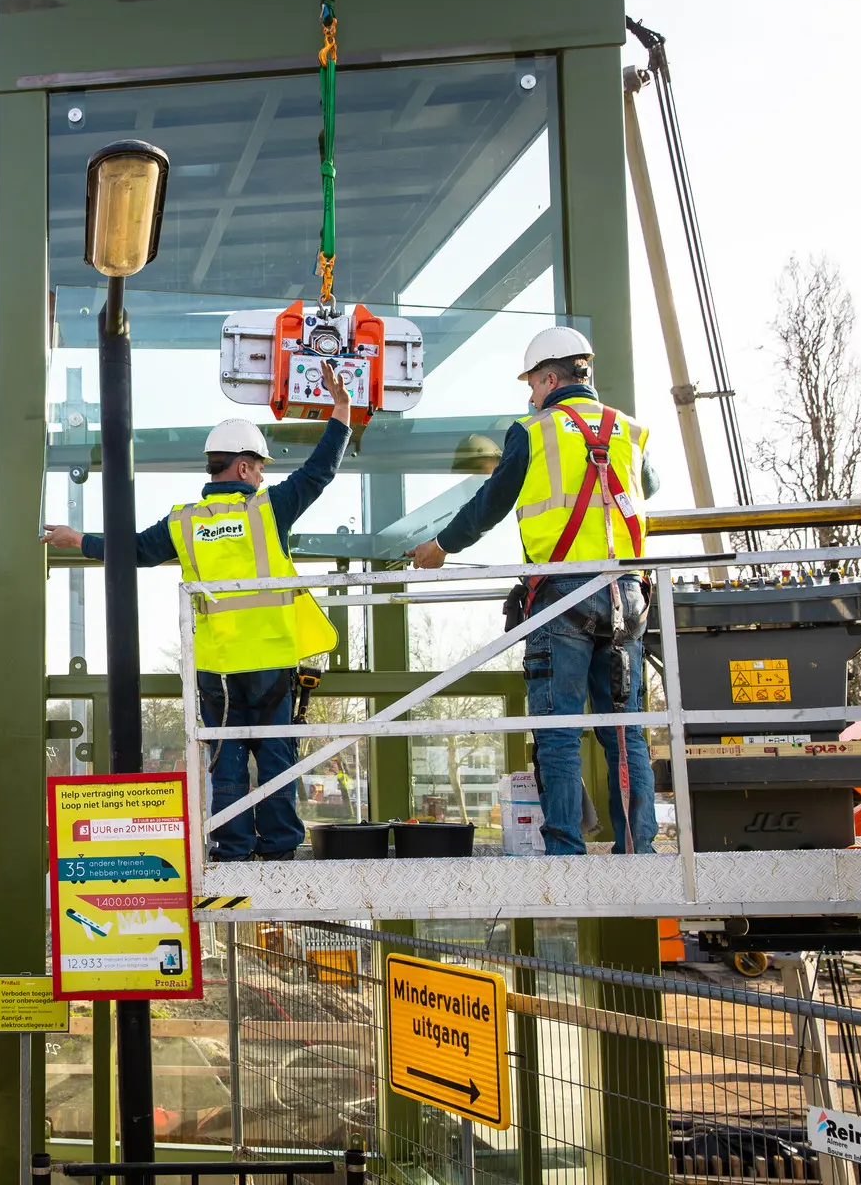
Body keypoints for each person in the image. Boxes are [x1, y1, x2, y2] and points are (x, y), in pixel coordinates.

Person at [42, 365, 351, 861]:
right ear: (245, 468)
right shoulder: (267, 510)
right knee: (275, 760)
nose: (263, 475)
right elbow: (319, 472)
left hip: (215, 667)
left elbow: (133, 550)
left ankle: (229, 848)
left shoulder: (184, 522)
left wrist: (78, 540)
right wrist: (340, 414)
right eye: (260, 467)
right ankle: (277, 850)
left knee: (225, 760)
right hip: (271, 662)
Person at [406, 327, 660, 855]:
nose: (530, 395)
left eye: (532, 384)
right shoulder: (630, 430)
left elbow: (492, 501)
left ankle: (565, 848)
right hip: (627, 592)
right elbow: (647, 487)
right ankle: (638, 846)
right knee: (624, 731)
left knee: (559, 729)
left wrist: (442, 546)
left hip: (564, 593)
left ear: (549, 378)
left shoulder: (535, 429)